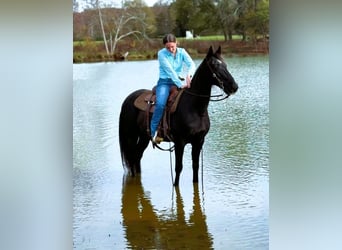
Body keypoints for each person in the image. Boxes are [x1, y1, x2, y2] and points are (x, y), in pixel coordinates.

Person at [150, 34, 196, 144]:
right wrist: (180, 85)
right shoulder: (161, 54)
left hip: (179, 81)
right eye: (168, 47)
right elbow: (170, 71)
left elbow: (192, 64)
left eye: (172, 47)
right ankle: (152, 132)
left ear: (176, 43)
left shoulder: (182, 52)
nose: (170, 49)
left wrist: (189, 76)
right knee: (161, 104)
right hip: (165, 82)